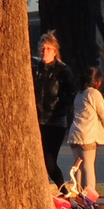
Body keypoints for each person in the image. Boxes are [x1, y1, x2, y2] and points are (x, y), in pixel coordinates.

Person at [34, 32, 76, 187]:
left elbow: (72, 93)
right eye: (43, 48)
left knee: (49, 162)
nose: (45, 52)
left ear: (55, 51)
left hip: (55, 121)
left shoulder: (63, 71)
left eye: (49, 48)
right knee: (37, 161)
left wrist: (59, 103)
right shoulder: (35, 69)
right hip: (37, 121)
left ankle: (64, 192)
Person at [66, 66, 104, 201]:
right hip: (88, 136)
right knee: (88, 167)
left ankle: (78, 196)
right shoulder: (94, 94)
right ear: (97, 81)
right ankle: (90, 199)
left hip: (74, 135)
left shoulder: (79, 94)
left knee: (78, 167)